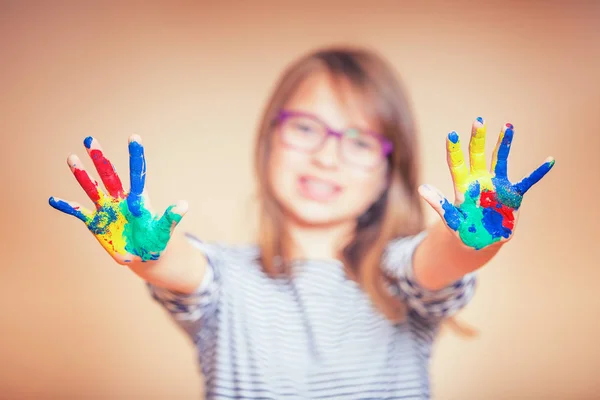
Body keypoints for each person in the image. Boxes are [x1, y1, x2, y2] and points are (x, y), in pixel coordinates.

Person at [49, 46, 555, 399]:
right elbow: (183, 269)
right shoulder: (226, 281)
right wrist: (150, 251)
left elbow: (439, 260)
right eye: (306, 127)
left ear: (388, 174)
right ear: (269, 141)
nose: (326, 156)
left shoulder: (399, 275)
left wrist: (478, 234)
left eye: (359, 141)